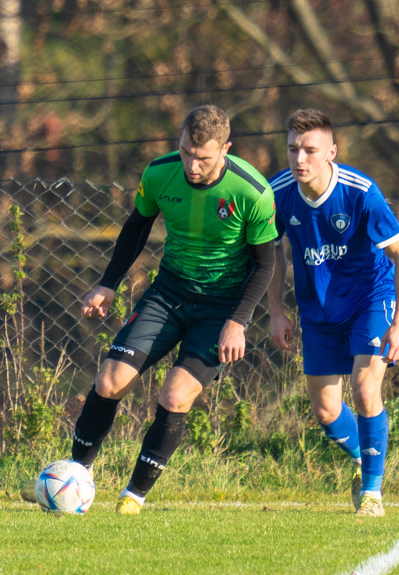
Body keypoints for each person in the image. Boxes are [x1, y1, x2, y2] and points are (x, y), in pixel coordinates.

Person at [22, 105, 277, 514]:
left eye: (204, 158)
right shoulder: (159, 173)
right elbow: (136, 228)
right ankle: (74, 479)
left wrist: (238, 322)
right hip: (168, 294)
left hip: (221, 308)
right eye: (185, 153)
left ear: (225, 149)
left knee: (175, 396)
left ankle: (133, 495)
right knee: (110, 381)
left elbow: (265, 264)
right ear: (179, 138)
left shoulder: (253, 192)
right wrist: (108, 284)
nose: (192, 165)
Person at [267, 109, 399, 517]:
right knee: (327, 410)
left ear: (331, 151)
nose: (300, 159)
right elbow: (272, 253)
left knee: (366, 389)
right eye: (293, 149)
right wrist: (276, 310)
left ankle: (372, 492)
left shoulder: (360, 191)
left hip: (370, 298)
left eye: (310, 150)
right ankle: (363, 456)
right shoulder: (277, 193)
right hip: (317, 309)